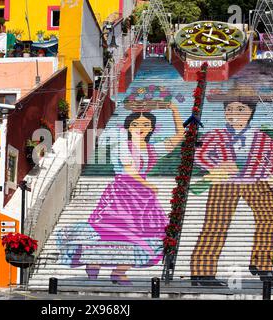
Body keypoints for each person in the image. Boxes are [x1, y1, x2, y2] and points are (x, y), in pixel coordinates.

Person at [56, 102, 184, 285]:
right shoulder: (123, 146)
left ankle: (119, 270)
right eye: (136, 125)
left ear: (152, 129)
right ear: (128, 127)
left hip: (144, 198)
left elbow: (179, 136)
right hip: (123, 194)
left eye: (146, 125)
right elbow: (129, 170)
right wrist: (149, 185)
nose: (141, 128)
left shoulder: (151, 149)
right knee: (113, 231)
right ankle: (94, 261)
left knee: (146, 234)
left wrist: (174, 110)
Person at [191, 86, 273, 287]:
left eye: (240, 109)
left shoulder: (263, 139)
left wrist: (265, 171)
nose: (234, 113)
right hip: (224, 182)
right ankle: (202, 273)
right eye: (229, 109)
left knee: (271, 217)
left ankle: (262, 264)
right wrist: (217, 165)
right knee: (216, 223)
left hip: (254, 182)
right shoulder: (215, 135)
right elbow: (199, 155)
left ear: (251, 112)